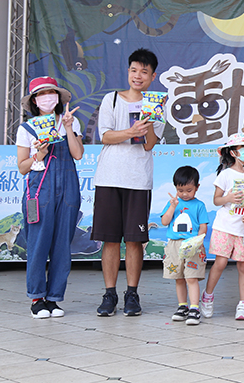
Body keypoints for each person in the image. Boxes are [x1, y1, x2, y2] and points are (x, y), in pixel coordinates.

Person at [92, 48, 165, 317]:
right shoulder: (111, 99)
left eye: (144, 72)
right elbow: (105, 136)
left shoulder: (157, 104)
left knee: (135, 241)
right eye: (134, 70)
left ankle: (132, 294)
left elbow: (149, 145)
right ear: (128, 72)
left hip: (139, 180)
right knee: (110, 240)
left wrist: (148, 123)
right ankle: (109, 294)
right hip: (109, 177)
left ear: (152, 76)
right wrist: (130, 131)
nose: (138, 76)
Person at [16, 76, 83, 318]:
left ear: (58, 97)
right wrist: (39, 155)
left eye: (50, 93)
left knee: (62, 245)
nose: (47, 97)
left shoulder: (70, 122)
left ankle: (54, 298)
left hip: (68, 188)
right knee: (38, 243)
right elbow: (22, 167)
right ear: (34, 101)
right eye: (41, 94)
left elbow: (78, 154)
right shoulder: (26, 128)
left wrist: (68, 127)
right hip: (39, 190)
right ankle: (37, 298)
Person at [200, 132, 244, 320]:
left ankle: (243, 304)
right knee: (220, 262)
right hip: (224, 226)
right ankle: (208, 296)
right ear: (233, 152)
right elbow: (216, 200)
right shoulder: (225, 174)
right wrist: (228, 198)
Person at [160, 166, 208, 326]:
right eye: (180, 190)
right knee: (179, 277)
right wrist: (173, 206)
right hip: (174, 245)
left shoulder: (199, 205)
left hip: (192, 245)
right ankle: (182, 306)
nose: (184, 194)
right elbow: (165, 221)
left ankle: (194, 308)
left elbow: (203, 226)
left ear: (197, 187)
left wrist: (198, 241)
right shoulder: (172, 203)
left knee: (191, 277)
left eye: (189, 190)